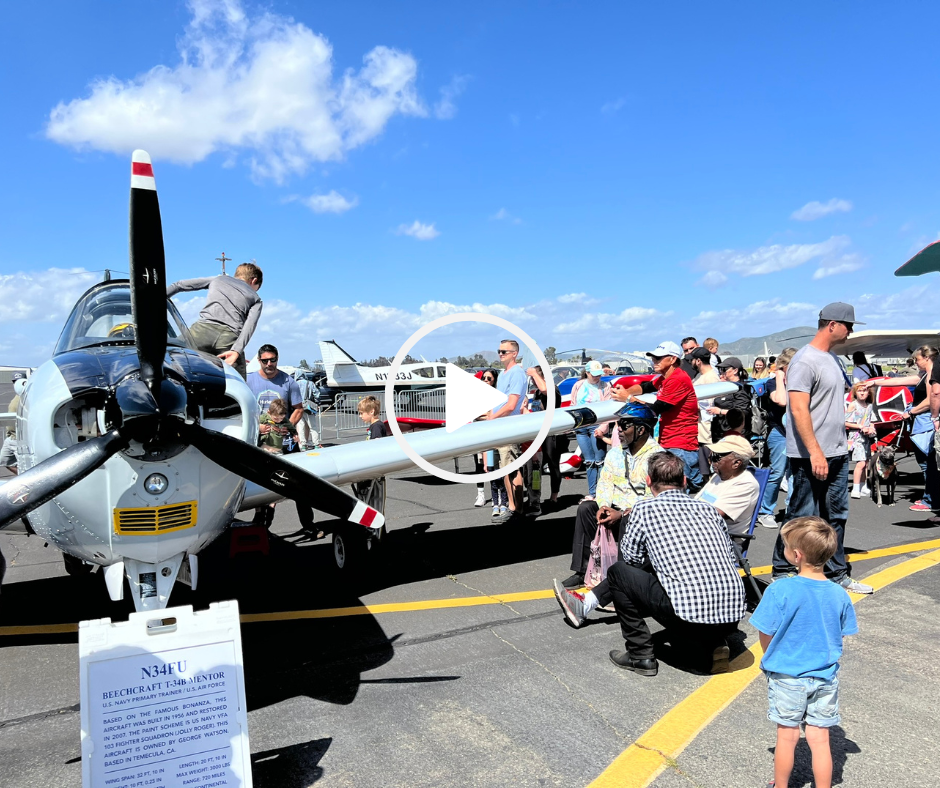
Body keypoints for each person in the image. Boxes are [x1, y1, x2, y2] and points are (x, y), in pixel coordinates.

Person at [553, 452, 746, 676]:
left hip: (688, 619)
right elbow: (730, 559)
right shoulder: (709, 510)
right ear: (684, 482)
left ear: (648, 482)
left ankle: (640, 655)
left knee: (618, 572)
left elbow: (631, 561)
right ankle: (713, 643)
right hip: (732, 619)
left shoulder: (644, 509)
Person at [770, 302, 873, 594]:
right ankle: (782, 570)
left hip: (837, 452)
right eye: (848, 326)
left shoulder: (833, 359)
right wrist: (815, 452)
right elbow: (799, 411)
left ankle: (837, 573)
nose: (850, 331)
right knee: (801, 516)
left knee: (835, 516)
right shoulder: (805, 361)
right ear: (832, 325)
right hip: (809, 456)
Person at [751, 516, 858, 788]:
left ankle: (781, 785)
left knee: (786, 737)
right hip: (825, 676)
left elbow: (766, 631)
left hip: (787, 676)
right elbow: (842, 632)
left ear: (796, 556)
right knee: (820, 738)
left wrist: (769, 656)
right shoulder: (839, 593)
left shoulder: (780, 589)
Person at [560, 403, 663, 589]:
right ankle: (583, 569)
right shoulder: (615, 453)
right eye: (617, 425)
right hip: (613, 508)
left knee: (629, 518)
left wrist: (622, 513)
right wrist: (603, 506)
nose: (619, 430)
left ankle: (623, 579)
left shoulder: (658, 457)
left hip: (637, 514)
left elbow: (654, 499)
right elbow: (605, 483)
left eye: (624, 425)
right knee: (586, 509)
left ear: (640, 429)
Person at [614, 341, 703, 492]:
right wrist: (624, 391)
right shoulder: (666, 377)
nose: (654, 361)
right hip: (673, 442)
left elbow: (654, 410)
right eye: (654, 358)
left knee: (674, 494)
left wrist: (628, 398)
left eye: (659, 358)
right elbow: (645, 387)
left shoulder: (677, 379)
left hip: (680, 445)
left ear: (673, 359)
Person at [246, 344, 314, 532]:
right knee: (261, 484)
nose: (269, 363)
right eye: (265, 360)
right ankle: (261, 526)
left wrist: (284, 427)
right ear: (259, 361)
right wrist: (256, 427)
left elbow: (299, 408)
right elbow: (241, 409)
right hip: (261, 443)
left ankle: (308, 525)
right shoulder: (248, 380)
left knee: (299, 484)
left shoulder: (288, 381)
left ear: (277, 359)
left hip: (286, 444)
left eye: (273, 359)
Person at [862, 345, 938, 512]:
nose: (915, 363)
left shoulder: (930, 376)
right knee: (927, 463)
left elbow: (931, 399)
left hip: (924, 423)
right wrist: (874, 382)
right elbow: (897, 381)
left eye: (917, 359)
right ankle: (930, 496)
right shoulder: (923, 375)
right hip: (921, 421)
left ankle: (931, 500)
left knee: (927, 463)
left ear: (926, 358)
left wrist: (911, 411)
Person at [166, 262, 263, 378]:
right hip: (229, 339)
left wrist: (154, 299)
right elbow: (249, 327)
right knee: (239, 382)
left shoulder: (218, 280)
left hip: (201, 333)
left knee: (171, 356)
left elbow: (179, 285)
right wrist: (236, 351)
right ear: (254, 280)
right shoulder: (256, 299)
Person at [487, 340, 529, 523]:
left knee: (511, 467)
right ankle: (513, 506)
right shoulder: (504, 374)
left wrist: (492, 418)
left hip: (509, 426)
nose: (501, 354)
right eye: (499, 350)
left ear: (515, 353)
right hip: (501, 427)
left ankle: (515, 508)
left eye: (504, 351)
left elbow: (511, 404)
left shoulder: (517, 373)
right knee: (506, 469)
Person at [757, 347, 798, 529]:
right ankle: (765, 511)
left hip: (797, 433)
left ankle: (792, 510)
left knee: (795, 474)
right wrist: (780, 377)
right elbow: (781, 400)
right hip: (779, 433)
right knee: (777, 473)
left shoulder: (800, 383)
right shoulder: (772, 384)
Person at [695, 435, 760, 538]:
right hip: (703, 530)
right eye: (712, 456)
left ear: (736, 463)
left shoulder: (746, 484)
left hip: (723, 538)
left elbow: (712, 516)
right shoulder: (719, 476)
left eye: (717, 457)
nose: (712, 461)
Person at [569, 360, 612, 501]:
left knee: (600, 460)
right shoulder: (578, 385)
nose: (597, 377)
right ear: (587, 373)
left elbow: (608, 409)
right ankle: (592, 492)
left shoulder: (605, 386)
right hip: (581, 427)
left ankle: (602, 492)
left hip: (597, 425)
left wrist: (603, 427)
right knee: (589, 461)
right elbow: (573, 405)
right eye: (594, 375)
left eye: (599, 375)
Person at [527, 364, 563, 508]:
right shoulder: (537, 392)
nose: (533, 380)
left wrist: (535, 373)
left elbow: (545, 389)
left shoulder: (552, 389)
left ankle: (554, 497)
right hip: (538, 433)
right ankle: (535, 499)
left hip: (551, 433)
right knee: (536, 467)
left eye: (535, 377)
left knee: (553, 465)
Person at [707, 356, 752, 442]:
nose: (721, 373)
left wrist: (720, 411)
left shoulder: (740, 388)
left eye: (724, 369)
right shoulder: (725, 388)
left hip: (734, 434)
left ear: (735, 370)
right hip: (719, 431)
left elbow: (742, 412)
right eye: (720, 370)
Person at [845, 383, 876, 499]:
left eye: (864, 390)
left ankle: (863, 486)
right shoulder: (853, 405)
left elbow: (871, 420)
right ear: (855, 393)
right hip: (856, 437)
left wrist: (872, 428)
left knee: (866, 462)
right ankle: (855, 488)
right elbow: (845, 422)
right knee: (861, 462)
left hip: (866, 438)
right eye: (859, 391)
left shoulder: (869, 406)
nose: (862, 393)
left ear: (869, 393)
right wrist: (860, 426)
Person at [1, 373, 25, 476]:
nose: (16, 383)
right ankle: (21, 476)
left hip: (18, 438)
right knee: (3, 461)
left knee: (24, 464)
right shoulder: (16, 396)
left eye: (19, 381)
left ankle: (26, 479)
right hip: (10, 437)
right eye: (15, 382)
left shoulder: (26, 398)